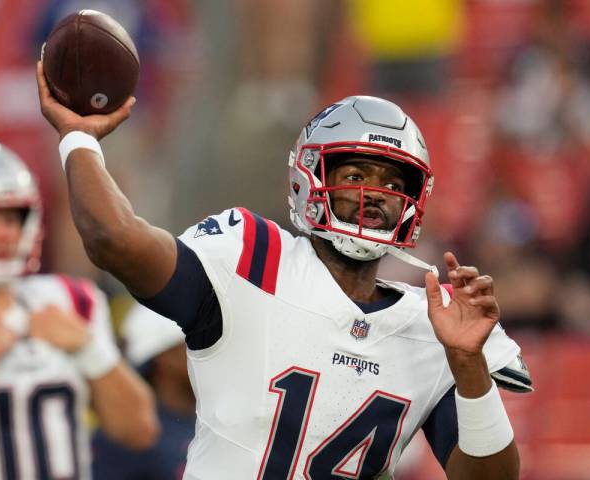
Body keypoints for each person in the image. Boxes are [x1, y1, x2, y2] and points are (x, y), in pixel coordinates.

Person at [36, 61, 533, 479]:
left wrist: (470, 368)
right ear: (309, 179)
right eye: (355, 174)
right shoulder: (251, 256)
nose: (374, 193)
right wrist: (79, 140)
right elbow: (114, 240)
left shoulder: (433, 327)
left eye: (390, 180)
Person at [0, 137, 159, 479]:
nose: (3, 234)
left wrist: (88, 347)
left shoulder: (69, 300)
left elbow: (139, 430)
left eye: (12, 219)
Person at [92, 303, 194, 479]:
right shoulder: (125, 435)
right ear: (165, 357)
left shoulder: (216, 416)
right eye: (195, 344)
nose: (210, 354)